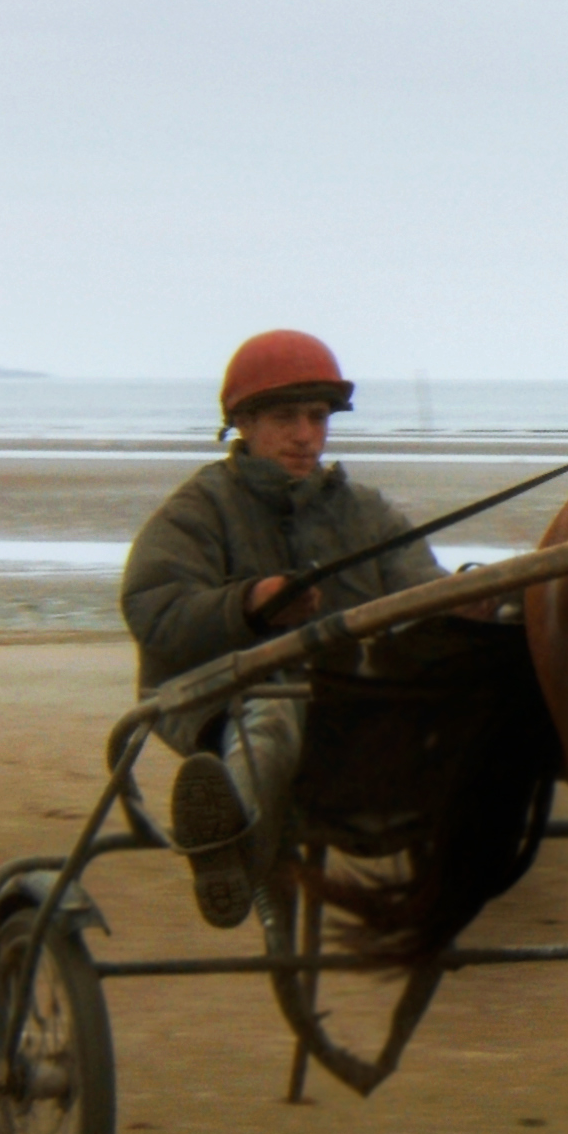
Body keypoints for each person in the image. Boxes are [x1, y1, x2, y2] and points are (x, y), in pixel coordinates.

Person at [120, 331, 446, 927]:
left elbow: (426, 593)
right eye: (284, 418)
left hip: (341, 701)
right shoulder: (200, 508)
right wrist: (249, 605)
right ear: (242, 423)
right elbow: (153, 608)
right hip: (211, 696)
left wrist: (476, 608)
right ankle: (231, 850)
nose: (305, 435)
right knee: (269, 718)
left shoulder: (366, 512)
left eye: (317, 417)